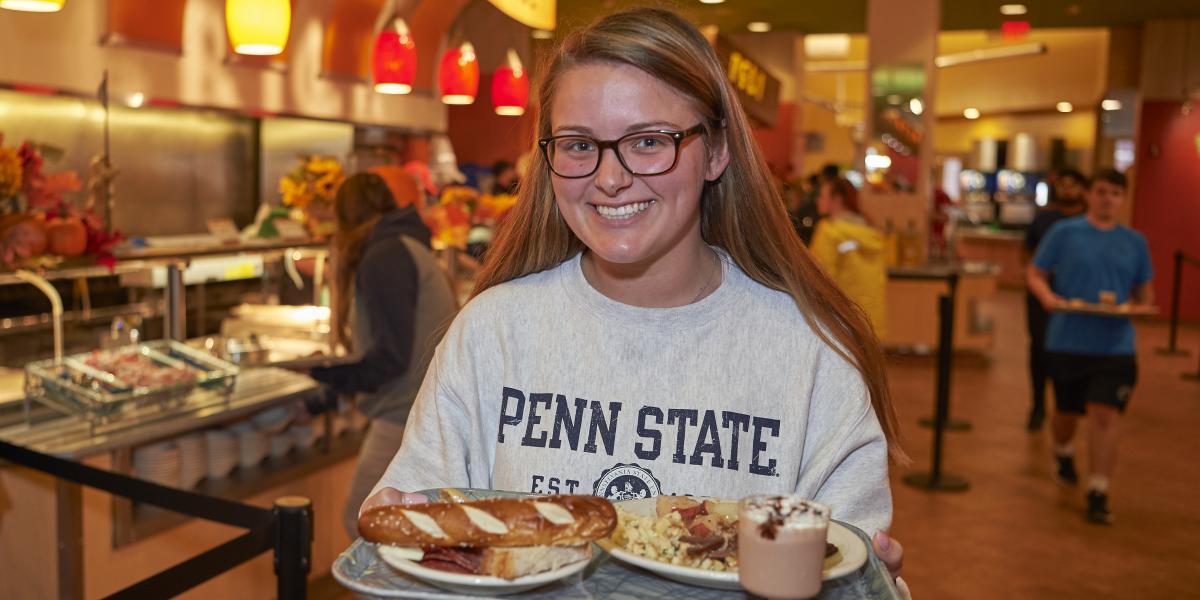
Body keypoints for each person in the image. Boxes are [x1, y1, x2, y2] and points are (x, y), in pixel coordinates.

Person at [361, 7, 906, 579]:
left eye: (648, 141)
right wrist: (397, 534)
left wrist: (863, 586)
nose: (610, 177)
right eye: (577, 145)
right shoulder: (492, 332)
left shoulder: (811, 352)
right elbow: (423, 531)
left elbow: (850, 559)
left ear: (717, 151)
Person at [306, 172, 458, 538]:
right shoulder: (404, 244)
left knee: (363, 523)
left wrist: (324, 379)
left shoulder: (385, 255)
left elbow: (390, 358)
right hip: (425, 409)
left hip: (407, 415)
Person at [1027, 169, 1153, 525]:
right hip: (1067, 339)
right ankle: (1063, 451)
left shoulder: (1135, 242)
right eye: (1101, 191)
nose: (1107, 198)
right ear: (1089, 195)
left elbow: (1146, 295)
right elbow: (1035, 272)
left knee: (1104, 413)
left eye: (1115, 193)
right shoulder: (1064, 233)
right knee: (1066, 414)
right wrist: (1048, 297)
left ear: (1122, 199)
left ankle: (1098, 489)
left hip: (1116, 347)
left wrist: (1139, 308)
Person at [1022, 168, 1087, 431]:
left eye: (1073, 185)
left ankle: (1068, 404)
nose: (1067, 190)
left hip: (1077, 299)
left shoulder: (1089, 222)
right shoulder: (1044, 219)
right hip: (1041, 297)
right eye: (1063, 185)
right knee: (1040, 348)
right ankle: (1038, 404)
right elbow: (1026, 255)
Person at [809, 177, 888, 338]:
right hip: (870, 318)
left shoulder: (829, 232)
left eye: (822, 196)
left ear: (836, 199)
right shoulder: (870, 232)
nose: (818, 200)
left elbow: (818, 276)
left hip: (840, 318)